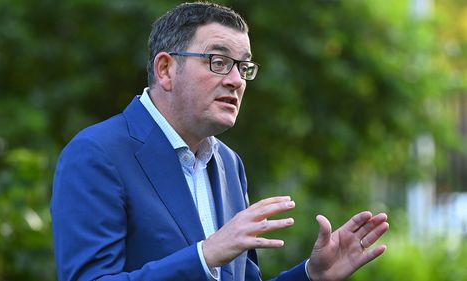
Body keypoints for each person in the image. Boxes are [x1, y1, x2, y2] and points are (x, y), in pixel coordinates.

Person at [50, 2, 389, 281]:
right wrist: (205, 254)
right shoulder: (97, 153)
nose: (236, 81)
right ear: (166, 69)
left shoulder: (228, 163)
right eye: (219, 62)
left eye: (243, 67)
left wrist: (312, 275)